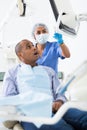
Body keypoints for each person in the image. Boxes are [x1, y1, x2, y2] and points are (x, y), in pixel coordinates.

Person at [2, 39, 87, 130]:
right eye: (28, 47)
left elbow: (60, 91)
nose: (34, 48)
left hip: (57, 109)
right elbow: (9, 99)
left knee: (84, 117)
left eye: (33, 45)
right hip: (33, 114)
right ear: (20, 54)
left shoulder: (49, 71)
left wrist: (59, 101)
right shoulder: (12, 73)